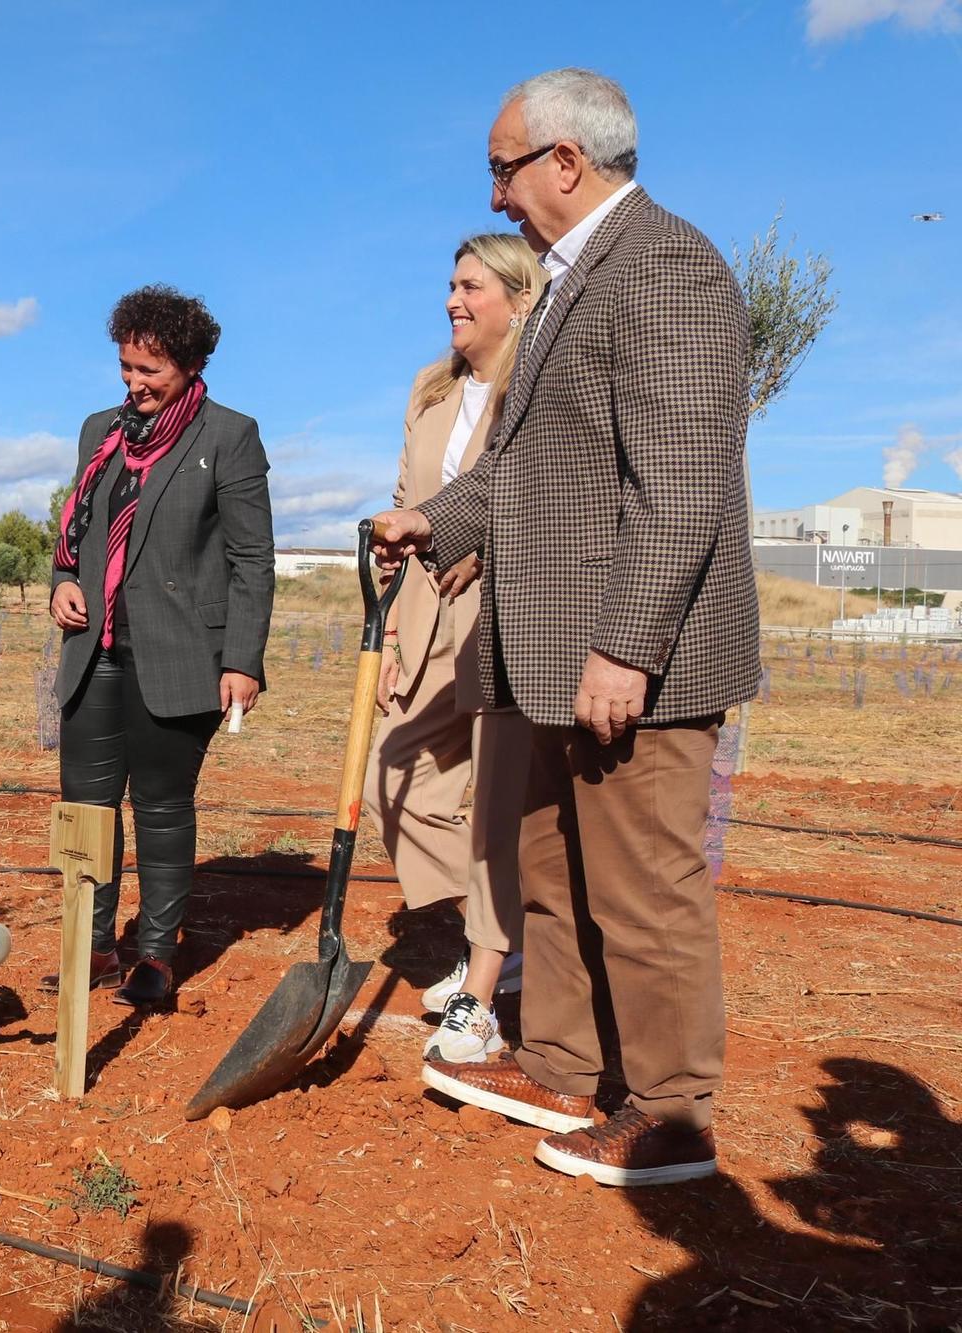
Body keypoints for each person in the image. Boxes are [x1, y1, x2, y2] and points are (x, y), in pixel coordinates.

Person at [372, 69, 758, 1187]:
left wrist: (625, 644)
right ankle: (560, 1063)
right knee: (549, 869)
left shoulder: (666, 268)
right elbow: (521, 472)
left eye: (500, 169)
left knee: (641, 886)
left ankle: (672, 1112)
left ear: (562, 162)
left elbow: (680, 484)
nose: (493, 197)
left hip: (629, 661)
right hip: (546, 656)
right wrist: (427, 519)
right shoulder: (567, 284)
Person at [48, 285, 274, 1009]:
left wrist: (242, 659)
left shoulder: (228, 436)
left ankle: (156, 952)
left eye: (151, 371)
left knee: (163, 805)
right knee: (86, 808)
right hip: (95, 649)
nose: (134, 384)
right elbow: (78, 530)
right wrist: (59, 579)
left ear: (192, 362)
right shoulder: (99, 431)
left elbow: (252, 559)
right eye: (126, 367)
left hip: (181, 654)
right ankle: (96, 943)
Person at [365, 233, 542, 1064]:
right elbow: (409, 500)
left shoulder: (537, 385)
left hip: (505, 620)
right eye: (450, 284)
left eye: (472, 285)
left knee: (498, 807)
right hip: (429, 619)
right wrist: (394, 631)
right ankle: (501, 940)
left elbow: (544, 501)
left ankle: (490, 968)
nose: (452, 300)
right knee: (389, 775)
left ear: (516, 297)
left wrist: (481, 543)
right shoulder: (430, 390)